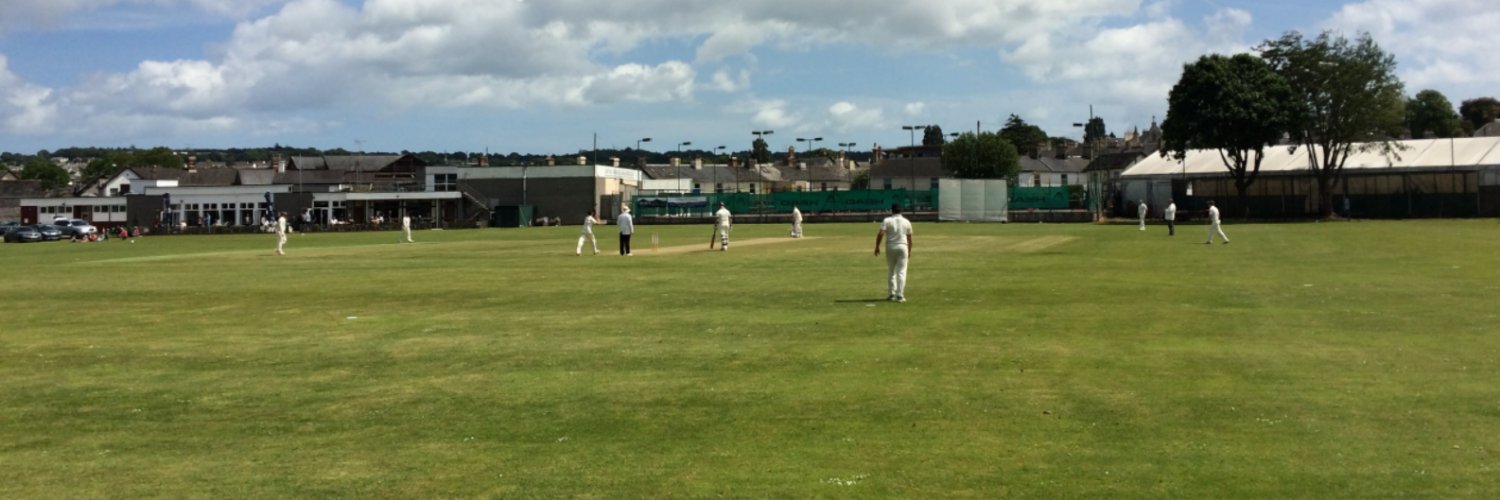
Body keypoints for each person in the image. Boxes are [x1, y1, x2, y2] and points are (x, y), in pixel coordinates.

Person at [874, 203, 914, 303]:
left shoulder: (887, 220)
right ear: (901, 211)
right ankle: (900, 295)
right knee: (901, 271)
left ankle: (891, 293)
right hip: (903, 246)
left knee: (891, 270)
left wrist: (877, 247)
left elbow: (881, 233)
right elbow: (909, 238)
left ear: (892, 210)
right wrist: (909, 251)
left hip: (890, 246)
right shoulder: (906, 221)